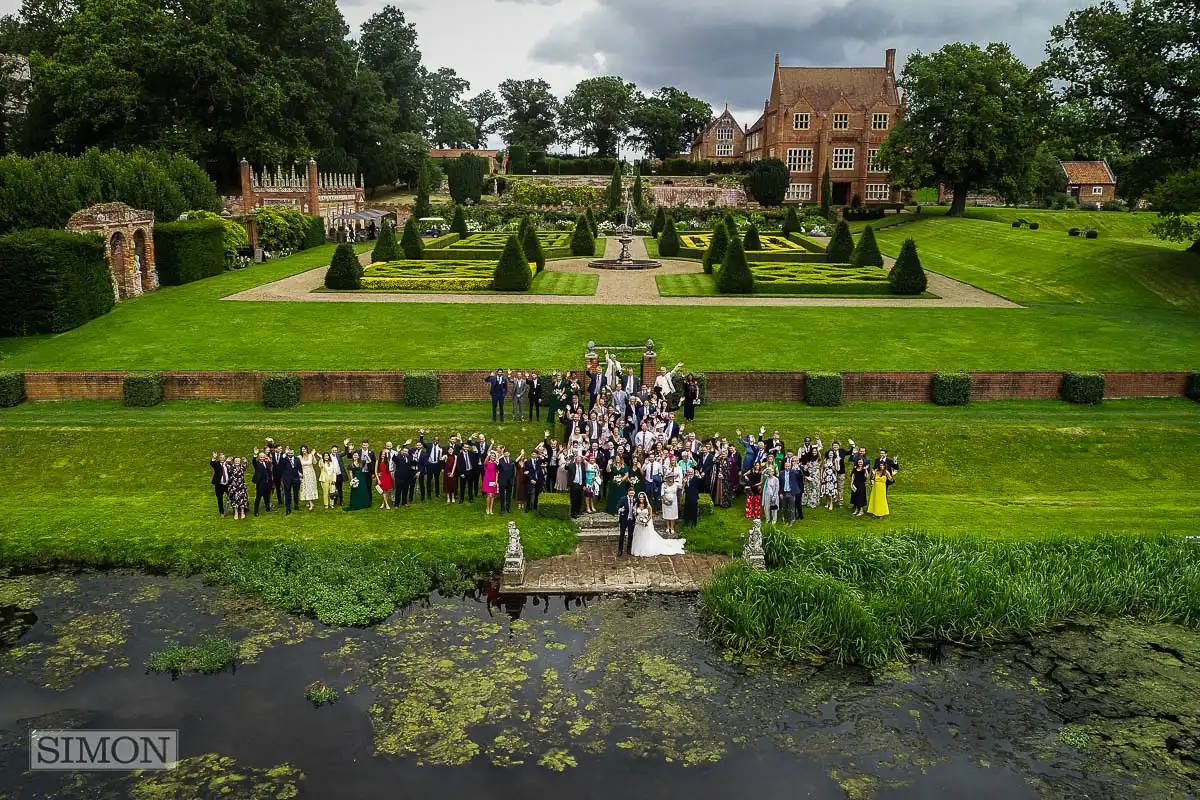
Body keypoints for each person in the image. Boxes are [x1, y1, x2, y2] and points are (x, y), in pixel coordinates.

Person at [630, 492, 686, 557]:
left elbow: (650, 515)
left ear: (645, 498)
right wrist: (634, 511)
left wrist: (646, 521)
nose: (641, 498)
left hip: (646, 522)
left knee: (646, 535)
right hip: (638, 522)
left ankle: (646, 548)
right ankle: (638, 549)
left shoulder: (648, 505)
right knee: (639, 535)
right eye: (640, 497)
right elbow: (635, 513)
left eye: (642, 497)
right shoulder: (637, 505)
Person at [779, 457, 803, 525]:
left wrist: (798, 468)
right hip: (784, 493)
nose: (787, 467)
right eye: (786, 466)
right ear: (784, 466)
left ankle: (792, 520)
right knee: (784, 508)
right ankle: (786, 520)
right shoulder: (781, 473)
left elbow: (800, 476)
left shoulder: (794, 472)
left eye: (789, 466)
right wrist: (780, 493)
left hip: (791, 493)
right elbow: (780, 484)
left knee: (792, 508)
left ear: (791, 466)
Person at [279, 446, 302, 514]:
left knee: (296, 493)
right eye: (289, 453)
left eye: (292, 453)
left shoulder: (297, 459)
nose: (291, 454)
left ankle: (296, 505)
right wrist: (285, 453)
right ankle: (288, 507)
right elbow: (281, 460)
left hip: (296, 478)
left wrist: (301, 477)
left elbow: (300, 468)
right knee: (287, 493)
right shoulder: (284, 459)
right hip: (287, 478)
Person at [251, 449, 274, 516]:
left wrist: (271, 481)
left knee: (267, 496)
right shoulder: (257, 463)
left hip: (268, 482)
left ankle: (267, 507)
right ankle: (256, 511)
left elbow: (269, 472)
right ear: (259, 457)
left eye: (263, 457)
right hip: (260, 483)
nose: (262, 458)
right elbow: (253, 461)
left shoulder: (268, 463)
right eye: (261, 457)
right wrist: (255, 455)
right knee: (258, 497)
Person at [616, 488, 636, 556]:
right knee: (622, 534)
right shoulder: (623, 499)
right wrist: (620, 509)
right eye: (630, 493)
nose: (631, 495)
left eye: (632, 493)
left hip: (631, 520)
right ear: (628, 492)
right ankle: (620, 550)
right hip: (624, 519)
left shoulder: (635, 500)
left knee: (630, 535)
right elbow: (617, 506)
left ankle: (629, 549)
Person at [210, 453, 231, 517]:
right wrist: (214, 457)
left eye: (223, 457)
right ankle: (221, 512)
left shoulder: (228, 464)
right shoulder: (216, 464)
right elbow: (212, 463)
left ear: (225, 458)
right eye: (221, 457)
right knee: (220, 499)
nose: (222, 458)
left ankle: (236, 510)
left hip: (227, 484)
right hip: (219, 485)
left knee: (232, 497)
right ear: (219, 458)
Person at [659, 472, 680, 537]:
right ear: (667, 478)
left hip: (673, 502)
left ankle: (672, 528)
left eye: (672, 477)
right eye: (669, 477)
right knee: (667, 514)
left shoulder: (676, 484)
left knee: (672, 515)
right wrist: (665, 500)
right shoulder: (664, 484)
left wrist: (684, 481)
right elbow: (662, 493)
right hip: (665, 501)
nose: (671, 478)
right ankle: (668, 527)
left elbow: (683, 487)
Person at [299, 445, 319, 511]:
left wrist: (313, 455)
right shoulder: (299, 457)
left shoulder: (310, 455)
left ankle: (311, 503)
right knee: (305, 487)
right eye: (302, 449)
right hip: (304, 474)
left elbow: (315, 463)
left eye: (304, 449)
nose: (303, 450)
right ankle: (307, 501)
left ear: (307, 449)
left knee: (310, 487)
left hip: (310, 473)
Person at [497, 448, 515, 513]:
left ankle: (508, 508)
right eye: (505, 453)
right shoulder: (500, 460)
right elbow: (496, 468)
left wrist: (512, 480)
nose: (506, 454)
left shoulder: (512, 460)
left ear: (509, 453)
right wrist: (497, 463)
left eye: (507, 453)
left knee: (509, 495)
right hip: (502, 481)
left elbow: (513, 472)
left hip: (509, 481)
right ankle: (502, 509)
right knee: (502, 496)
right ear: (503, 454)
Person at [377, 442, 394, 510]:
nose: (383, 455)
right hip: (381, 477)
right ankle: (386, 504)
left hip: (387, 475)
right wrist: (378, 476)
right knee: (382, 491)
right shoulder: (378, 461)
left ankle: (383, 503)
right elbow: (376, 470)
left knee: (386, 490)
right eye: (382, 454)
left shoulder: (387, 461)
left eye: (384, 454)